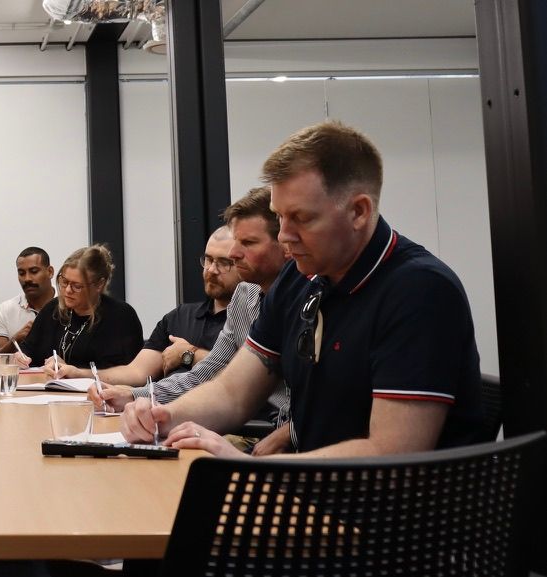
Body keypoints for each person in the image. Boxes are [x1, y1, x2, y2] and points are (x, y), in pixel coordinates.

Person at [122, 121, 485, 458]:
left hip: (386, 518)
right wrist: (162, 417)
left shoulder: (420, 291)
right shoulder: (300, 278)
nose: (283, 236)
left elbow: (391, 451)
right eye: (280, 217)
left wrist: (249, 465)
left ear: (359, 211)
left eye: (301, 218)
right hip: (315, 494)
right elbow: (233, 393)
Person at [94, 188, 293, 454]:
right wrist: (144, 401)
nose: (234, 254)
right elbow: (213, 376)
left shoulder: (307, 296)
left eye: (247, 243)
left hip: (278, 437)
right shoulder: (246, 295)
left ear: (285, 244)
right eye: (209, 259)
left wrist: (290, 432)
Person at [93, 227, 239, 386]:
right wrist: (79, 375)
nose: (211, 269)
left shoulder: (252, 318)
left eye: (224, 263)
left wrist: (188, 354)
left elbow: (244, 378)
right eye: (209, 259)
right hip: (161, 404)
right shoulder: (180, 316)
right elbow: (136, 372)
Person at [14, 245, 142, 377]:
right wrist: (20, 357)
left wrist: (72, 370)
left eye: (77, 286)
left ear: (99, 285)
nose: (68, 290)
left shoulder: (121, 316)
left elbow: (127, 373)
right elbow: (28, 350)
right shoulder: (52, 310)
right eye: (64, 282)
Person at [0, 247, 56, 361]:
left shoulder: (67, 305)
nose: (27, 279)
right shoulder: (6, 309)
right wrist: (15, 340)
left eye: (34, 271)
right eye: (21, 273)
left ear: (50, 272)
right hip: (20, 378)